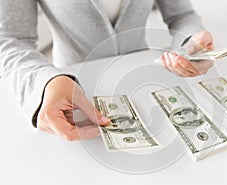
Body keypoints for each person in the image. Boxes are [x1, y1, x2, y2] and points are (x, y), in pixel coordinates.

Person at [0, 0, 214, 141]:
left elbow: (183, 15)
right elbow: (10, 40)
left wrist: (190, 45)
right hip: (71, 95)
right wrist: (44, 82)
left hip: (145, 82)